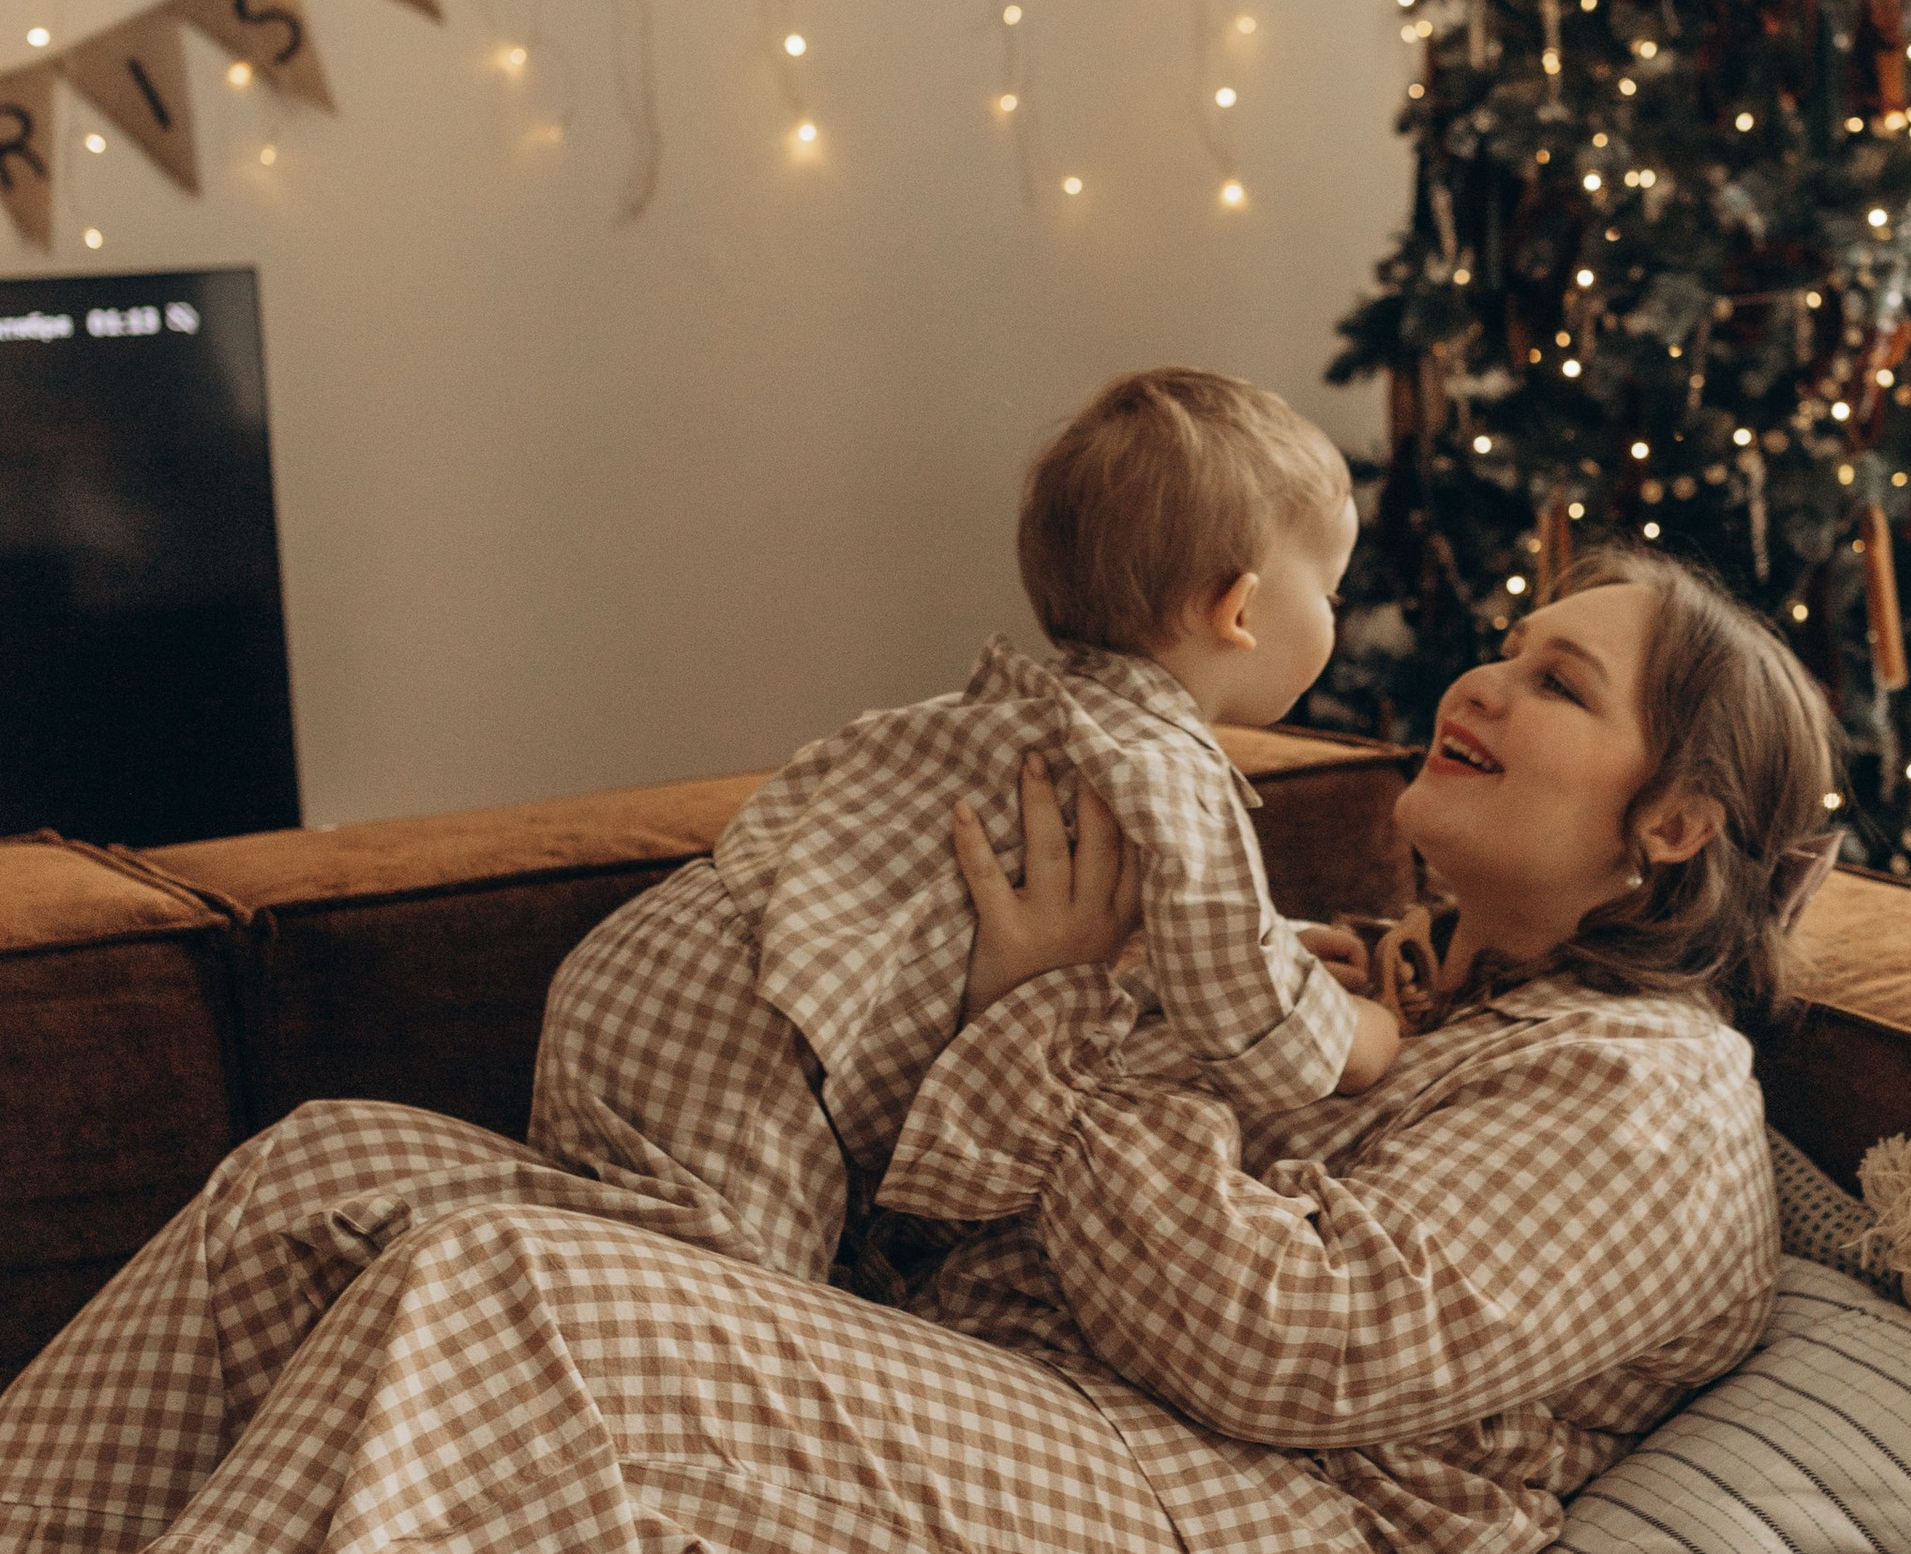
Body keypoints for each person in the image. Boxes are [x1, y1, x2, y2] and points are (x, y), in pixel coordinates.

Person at [0, 547, 1842, 1554]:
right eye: (1509, 645)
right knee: (333, 1181)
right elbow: (957, 1195)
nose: (1483, 678)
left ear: (1671, 825)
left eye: (1559, 681)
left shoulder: (1651, 1096)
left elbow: (1287, 1346)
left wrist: (1085, 1021)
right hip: (1042, 1467)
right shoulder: (1357, 989)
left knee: (535, 1309)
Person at [526, 370, 1403, 1308]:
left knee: (603, 1276)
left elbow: (1120, 940)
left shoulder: (1019, 716)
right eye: (1335, 595)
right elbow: (1254, 1030)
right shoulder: (1166, 767)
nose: (1337, 622)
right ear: (1237, 610)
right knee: (731, 1337)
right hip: (756, 1049)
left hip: (653, 967)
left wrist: (1277, 932)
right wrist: (1365, 1035)